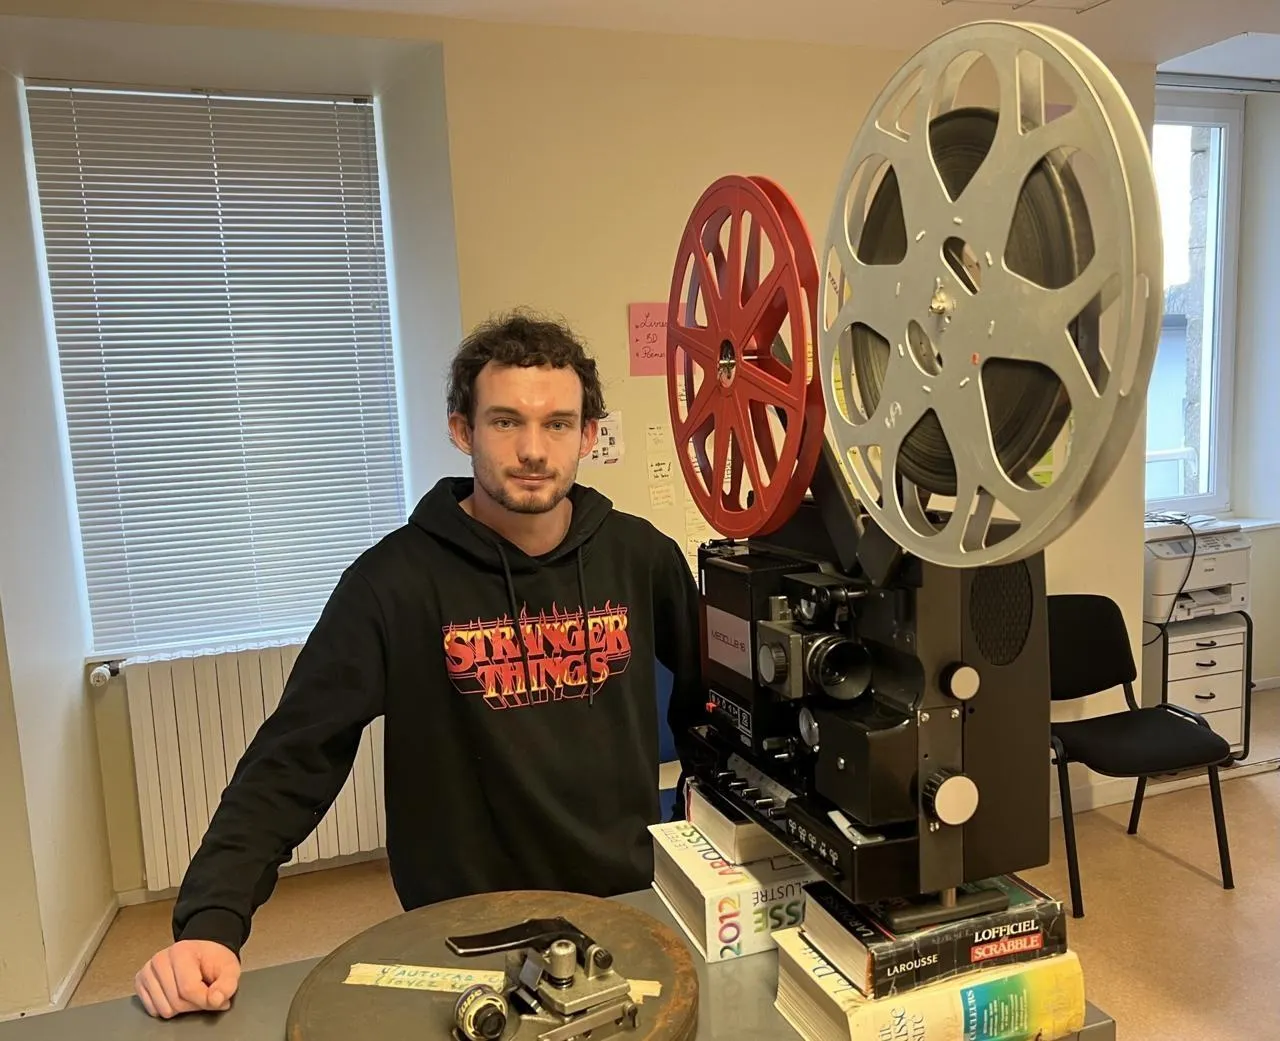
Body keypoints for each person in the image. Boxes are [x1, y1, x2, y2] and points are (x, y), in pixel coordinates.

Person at [132, 311, 706, 1019]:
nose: (533, 449)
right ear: (463, 430)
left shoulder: (642, 557)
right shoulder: (391, 584)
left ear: (588, 435)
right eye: (505, 421)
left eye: (558, 423)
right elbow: (294, 756)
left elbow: (713, 711)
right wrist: (211, 922)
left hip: (624, 903)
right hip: (461, 930)